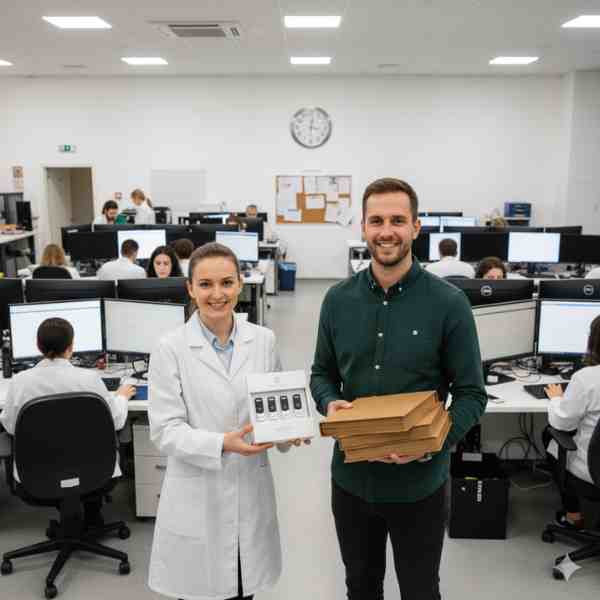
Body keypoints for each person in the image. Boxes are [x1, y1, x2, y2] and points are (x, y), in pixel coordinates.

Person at [310, 177, 487, 600]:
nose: (386, 231)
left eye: (397, 220)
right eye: (376, 220)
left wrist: (432, 443)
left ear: (416, 227)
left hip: (419, 485)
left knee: (420, 591)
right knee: (361, 588)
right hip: (351, 481)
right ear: (363, 227)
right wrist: (330, 402)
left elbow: (471, 394)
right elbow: (320, 373)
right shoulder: (337, 299)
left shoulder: (448, 303)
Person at [147, 242, 306, 600]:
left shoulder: (263, 340)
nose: (217, 294)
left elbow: (273, 404)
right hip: (197, 495)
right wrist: (221, 444)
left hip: (250, 492)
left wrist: (289, 433)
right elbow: (165, 430)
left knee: (242, 588)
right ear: (190, 289)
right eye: (205, 285)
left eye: (226, 283)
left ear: (239, 285)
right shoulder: (169, 348)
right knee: (199, 590)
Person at [0, 318, 135, 525]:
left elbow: (10, 426)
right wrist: (122, 396)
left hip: (37, 477)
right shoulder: (89, 380)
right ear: (72, 346)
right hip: (95, 473)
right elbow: (116, 421)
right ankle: (92, 512)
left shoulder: (20, 382)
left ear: (38, 346)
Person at [544, 314, 600, 530]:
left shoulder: (587, 378)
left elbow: (561, 423)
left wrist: (557, 398)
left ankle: (573, 515)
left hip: (593, 472)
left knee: (549, 435)